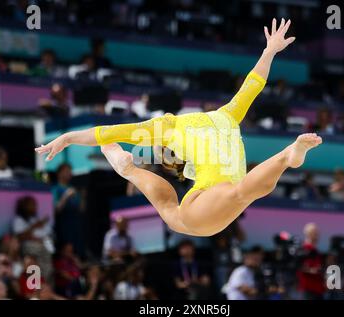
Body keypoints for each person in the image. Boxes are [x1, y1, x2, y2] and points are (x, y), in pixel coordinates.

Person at [36, 19, 323, 237]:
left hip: (205, 204)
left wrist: (67, 137)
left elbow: (104, 133)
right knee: (228, 195)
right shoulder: (228, 115)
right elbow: (254, 83)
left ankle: (129, 170)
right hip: (214, 201)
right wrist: (269, 51)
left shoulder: (164, 128)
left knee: (174, 209)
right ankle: (287, 156)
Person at [12, 196, 54, 284]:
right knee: (40, 252)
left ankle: (43, 285)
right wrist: (34, 227)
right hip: (27, 246)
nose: (35, 207)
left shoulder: (35, 219)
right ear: (25, 206)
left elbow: (45, 234)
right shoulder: (19, 220)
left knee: (47, 262)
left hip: (42, 246)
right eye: (32, 205)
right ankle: (38, 285)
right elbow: (20, 236)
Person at [52, 163, 85, 257]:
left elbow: (81, 209)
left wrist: (82, 197)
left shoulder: (73, 188)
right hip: (64, 225)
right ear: (59, 173)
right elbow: (56, 209)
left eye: (70, 171)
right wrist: (65, 196)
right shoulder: (56, 188)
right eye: (66, 171)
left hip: (76, 225)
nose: (69, 173)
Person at [296, 223, 325, 300]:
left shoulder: (316, 251)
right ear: (308, 234)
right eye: (314, 233)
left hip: (318, 290)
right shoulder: (303, 249)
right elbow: (299, 266)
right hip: (308, 290)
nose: (317, 236)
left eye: (317, 233)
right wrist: (313, 270)